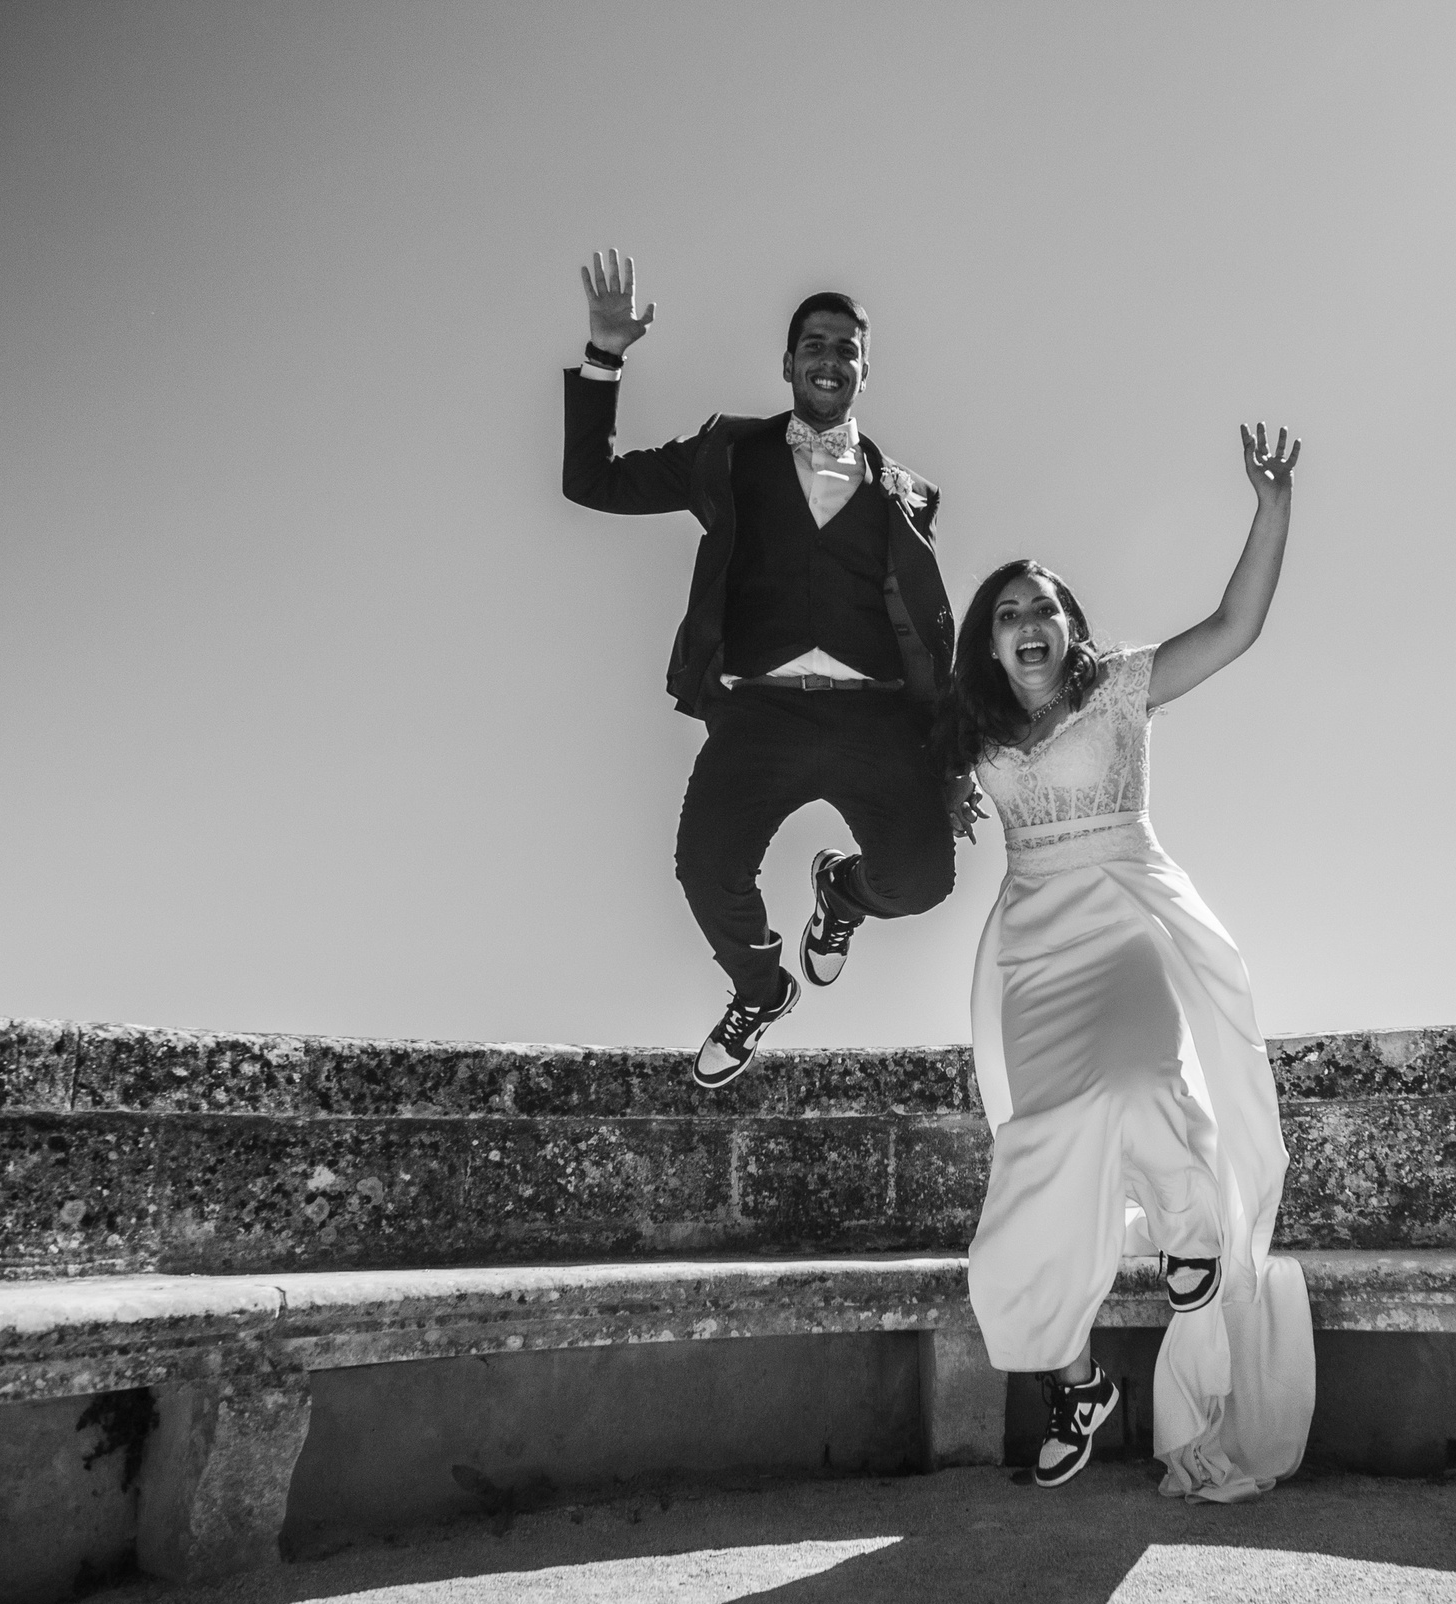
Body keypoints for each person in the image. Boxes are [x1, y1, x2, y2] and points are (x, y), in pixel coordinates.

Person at [935, 423, 1314, 1501]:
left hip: (1124, 921)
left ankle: (1192, 1237)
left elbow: (1234, 627)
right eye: (1007, 613)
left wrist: (1270, 507)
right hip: (1033, 954)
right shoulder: (966, 733)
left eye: (1042, 608)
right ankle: (1074, 1386)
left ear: (1071, 628)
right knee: (1033, 1169)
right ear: (990, 642)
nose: (1027, 625)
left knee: (1149, 1077)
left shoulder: (1120, 691)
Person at [562, 252, 982, 1088]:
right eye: (813, 345)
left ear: (866, 369)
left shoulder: (907, 491)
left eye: (846, 348)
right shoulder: (728, 452)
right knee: (704, 867)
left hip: (877, 717)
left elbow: (930, 633)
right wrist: (605, 356)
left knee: (925, 877)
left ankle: (842, 899)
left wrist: (953, 752)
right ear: (787, 364)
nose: (830, 359)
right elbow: (592, 481)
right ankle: (760, 989)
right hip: (760, 715)